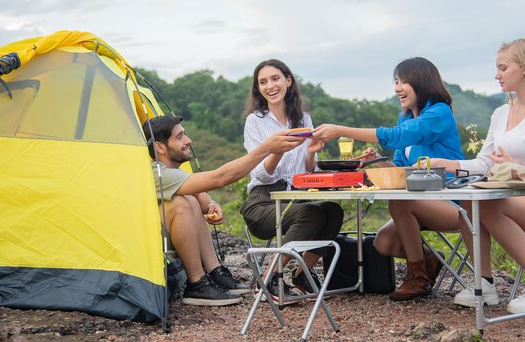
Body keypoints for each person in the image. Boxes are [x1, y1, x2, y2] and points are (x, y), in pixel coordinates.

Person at [428, 38, 525, 313]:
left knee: (486, 202)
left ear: (524, 68)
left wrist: (523, 170)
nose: (496, 75)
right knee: (469, 200)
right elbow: (484, 162)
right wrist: (445, 163)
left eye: (503, 68)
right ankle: (483, 285)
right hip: (514, 200)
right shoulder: (500, 114)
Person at [313, 57, 464, 300]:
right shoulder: (405, 118)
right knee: (383, 243)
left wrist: (341, 130)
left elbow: (397, 137)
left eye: (404, 81)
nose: (397, 88)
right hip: (418, 205)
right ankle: (428, 260)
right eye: (396, 81)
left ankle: (418, 279)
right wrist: (378, 161)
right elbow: (400, 169)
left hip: (450, 203)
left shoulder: (439, 113)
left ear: (422, 82)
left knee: (400, 202)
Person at [143, 115, 306, 307]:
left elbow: (196, 191)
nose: (188, 141)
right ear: (160, 147)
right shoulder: (155, 173)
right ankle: (197, 284)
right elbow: (220, 178)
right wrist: (266, 149)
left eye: (185, 135)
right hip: (148, 241)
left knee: (189, 199)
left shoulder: (168, 171)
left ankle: (214, 271)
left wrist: (211, 204)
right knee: (182, 203)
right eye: (179, 137)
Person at [240, 59, 344, 302]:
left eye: (275, 79)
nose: (270, 86)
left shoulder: (304, 119)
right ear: (258, 89)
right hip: (263, 201)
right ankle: (267, 280)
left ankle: (301, 275)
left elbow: (309, 171)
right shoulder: (255, 121)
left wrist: (310, 152)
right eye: (263, 82)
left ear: (288, 81)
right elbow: (260, 174)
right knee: (311, 214)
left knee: (333, 211)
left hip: (296, 195)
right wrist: (276, 149)